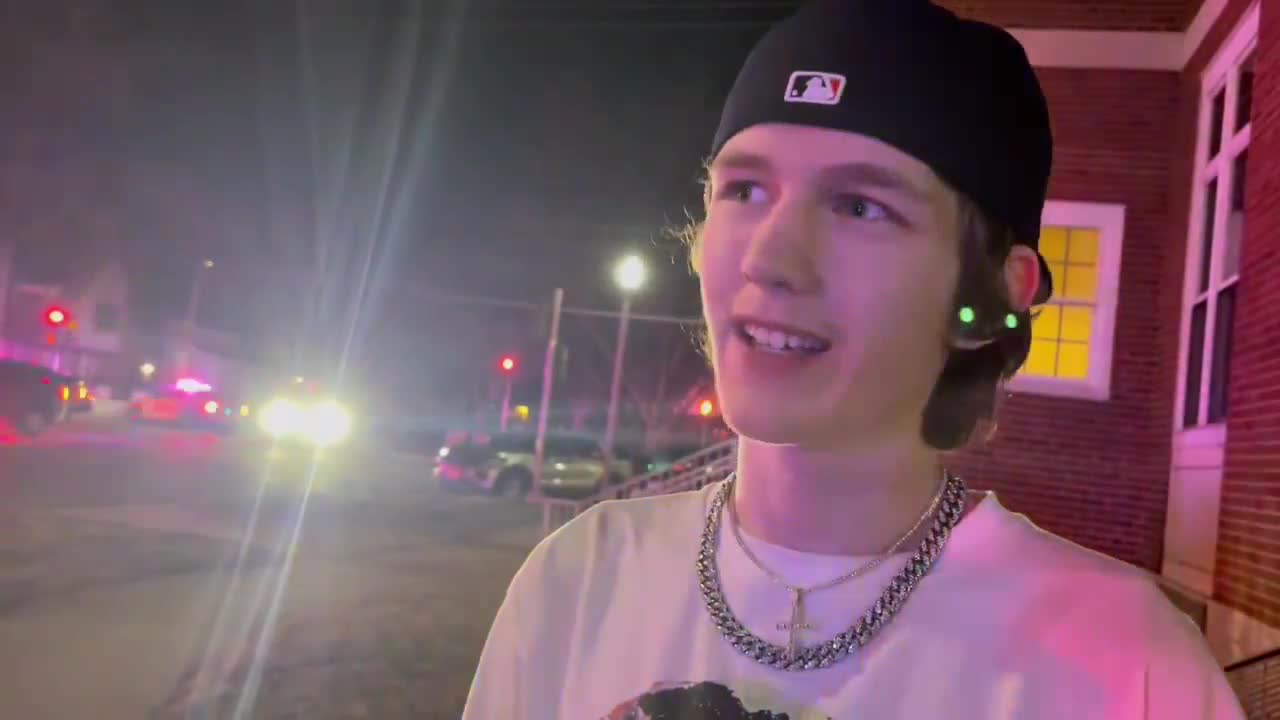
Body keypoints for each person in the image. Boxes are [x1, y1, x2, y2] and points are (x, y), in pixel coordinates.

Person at [463, 1, 1246, 717]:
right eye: (745, 190)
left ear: (990, 300)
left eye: (860, 206)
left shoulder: (1130, 664)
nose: (770, 258)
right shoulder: (580, 582)